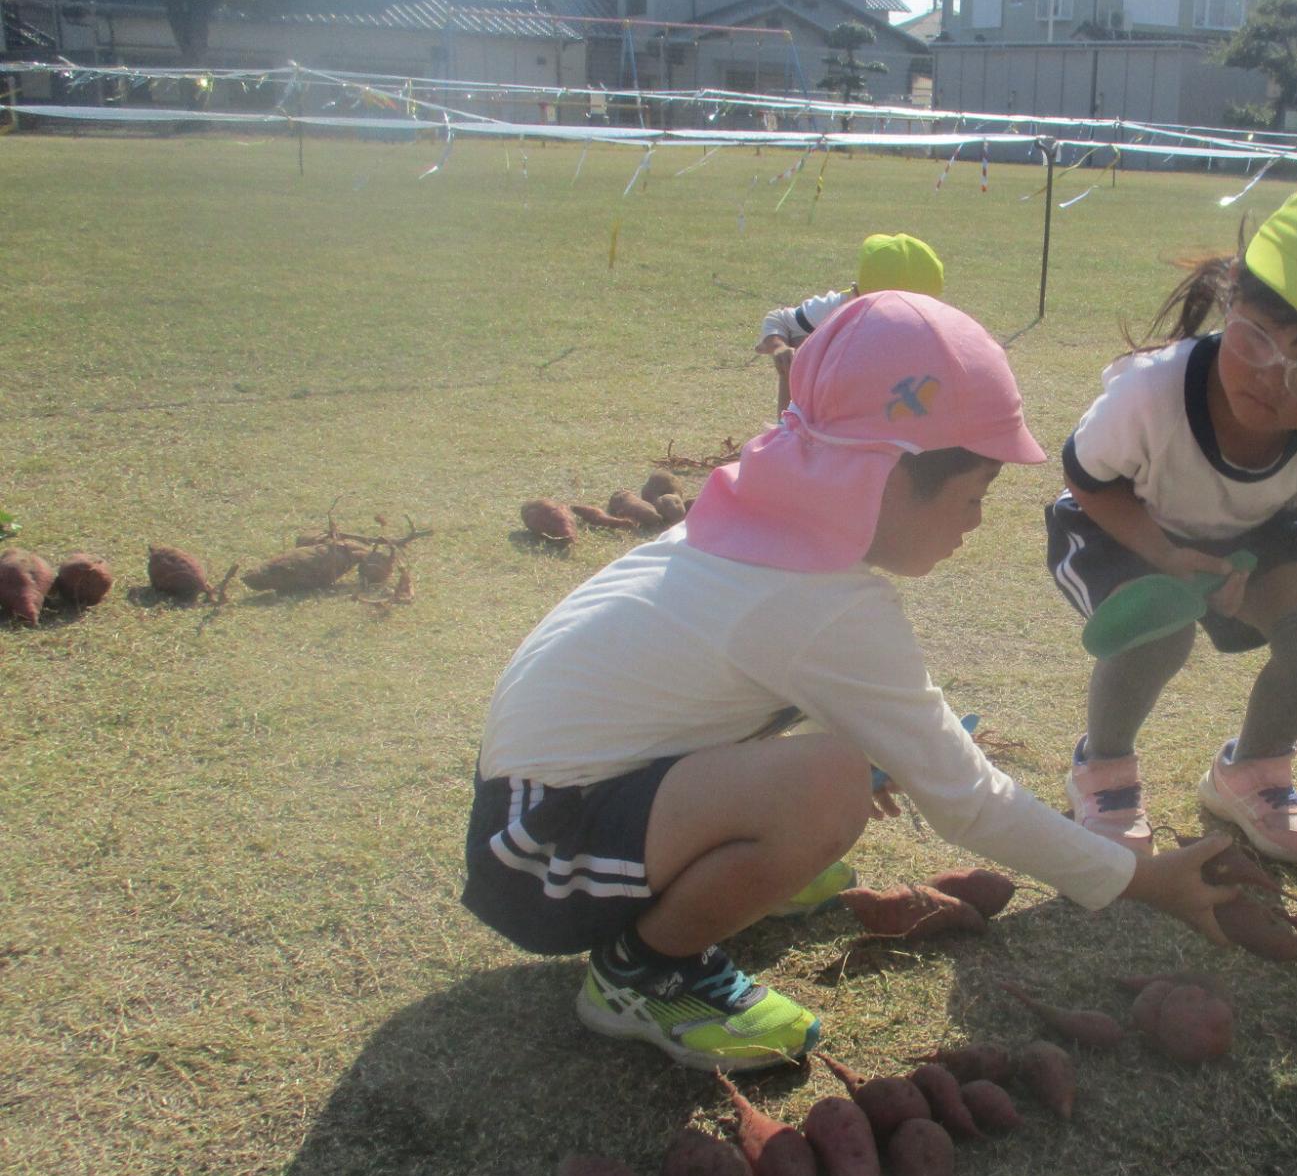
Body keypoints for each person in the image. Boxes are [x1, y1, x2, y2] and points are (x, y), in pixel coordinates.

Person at [466, 291, 1236, 1072]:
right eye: (972, 497)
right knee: (830, 780)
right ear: (889, 478)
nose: (973, 524)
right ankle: (643, 974)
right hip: (540, 858)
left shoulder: (758, 518)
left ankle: (731, 869)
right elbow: (967, 801)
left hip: (534, 813)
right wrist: (1141, 879)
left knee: (842, 761)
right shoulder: (825, 605)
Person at [1046, 179, 1297, 864]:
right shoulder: (1151, 392)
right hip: (1124, 525)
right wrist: (1167, 557)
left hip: (1258, 535)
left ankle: (1252, 772)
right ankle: (1103, 768)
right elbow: (1088, 482)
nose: (1272, 381)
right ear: (1234, 291)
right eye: (1259, 340)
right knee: (1159, 631)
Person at [753, 232, 944, 419]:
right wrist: (780, 347)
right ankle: (790, 433)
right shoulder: (839, 306)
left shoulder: (933, 325)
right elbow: (779, 320)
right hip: (829, 413)